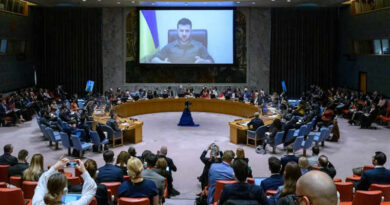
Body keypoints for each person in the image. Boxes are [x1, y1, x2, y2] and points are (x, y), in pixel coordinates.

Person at [32, 158, 97, 205]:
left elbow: (42, 181)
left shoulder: (37, 202)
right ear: (65, 190)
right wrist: (84, 171)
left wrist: (55, 167)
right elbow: (91, 188)